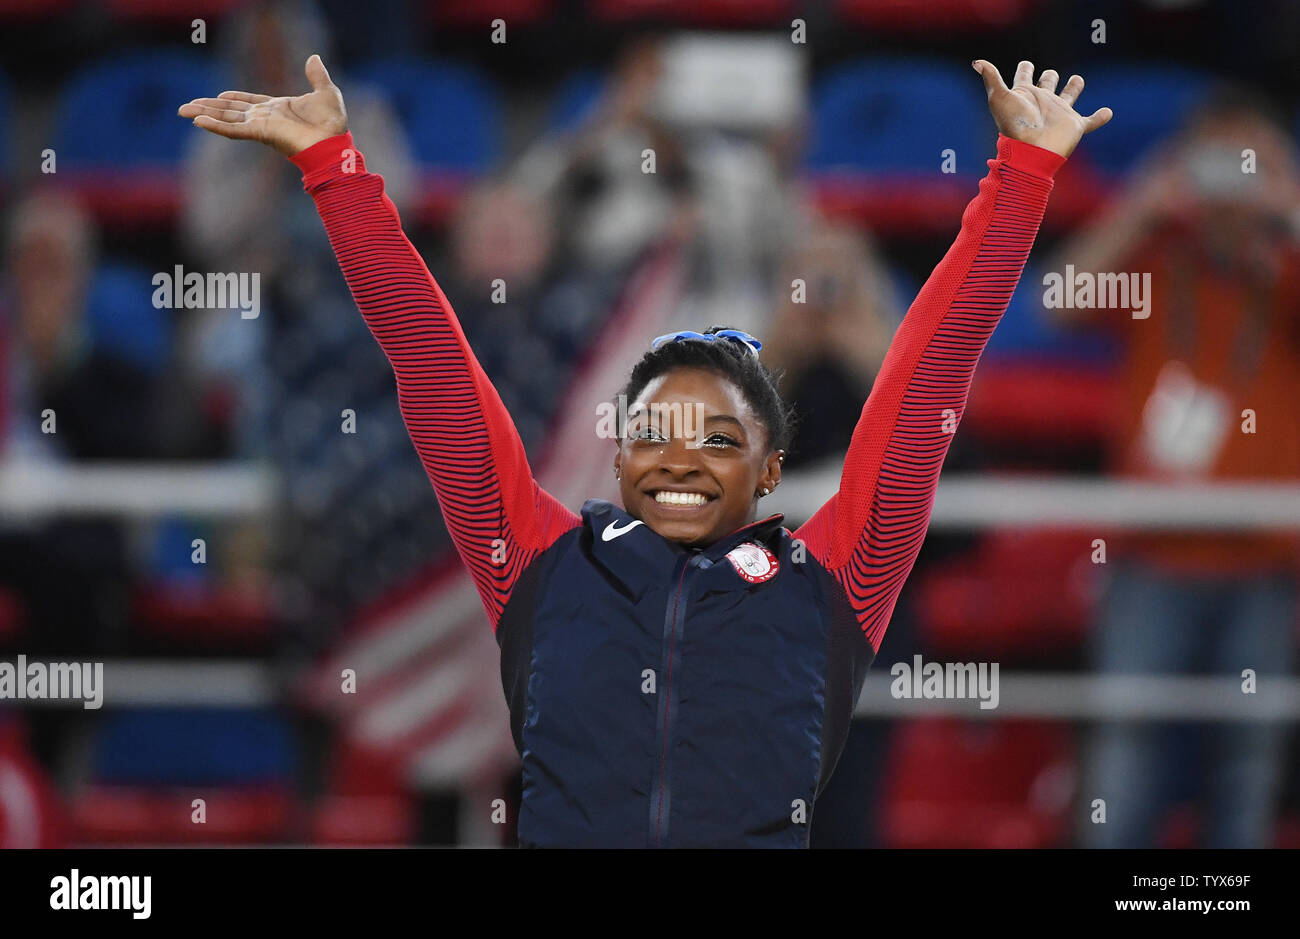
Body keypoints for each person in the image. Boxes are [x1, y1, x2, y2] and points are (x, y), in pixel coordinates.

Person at [179, 55, 1110, 847]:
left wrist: (1020, 176)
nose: (681, 456)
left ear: (769, 473)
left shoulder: (837, 581)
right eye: (656, 431)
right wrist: (337, 171)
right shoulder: (537, 564)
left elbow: (927, 380)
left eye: (717, 437)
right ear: (618, 460)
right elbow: (433, 369)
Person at [1047, 87, 1300, 848]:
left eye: (1247, 162)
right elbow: (1057, 299)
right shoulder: (1157, 261)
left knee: (1245, 770)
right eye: (1218, 162)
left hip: (1262, 563)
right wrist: (1142, 203)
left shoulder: (1284, 276)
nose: (1232, 182)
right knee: (1125, 763)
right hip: (1149, 561)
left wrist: (1289, 206)